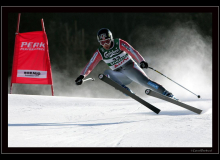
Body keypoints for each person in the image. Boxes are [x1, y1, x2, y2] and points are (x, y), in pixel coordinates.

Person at [75, 28, 177, 99]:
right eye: (102, 42)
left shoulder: (119, 43)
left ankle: (166, 93)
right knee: (106, 73)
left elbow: (132, 51)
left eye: (107, 41)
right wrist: (81, 76)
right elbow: (90, 65)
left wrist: (141, 61)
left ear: (110, 38)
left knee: (145, 82)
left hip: (130, 68)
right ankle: (126, 90)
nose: (105, 44)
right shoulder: (100, 52)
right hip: (120, 75)